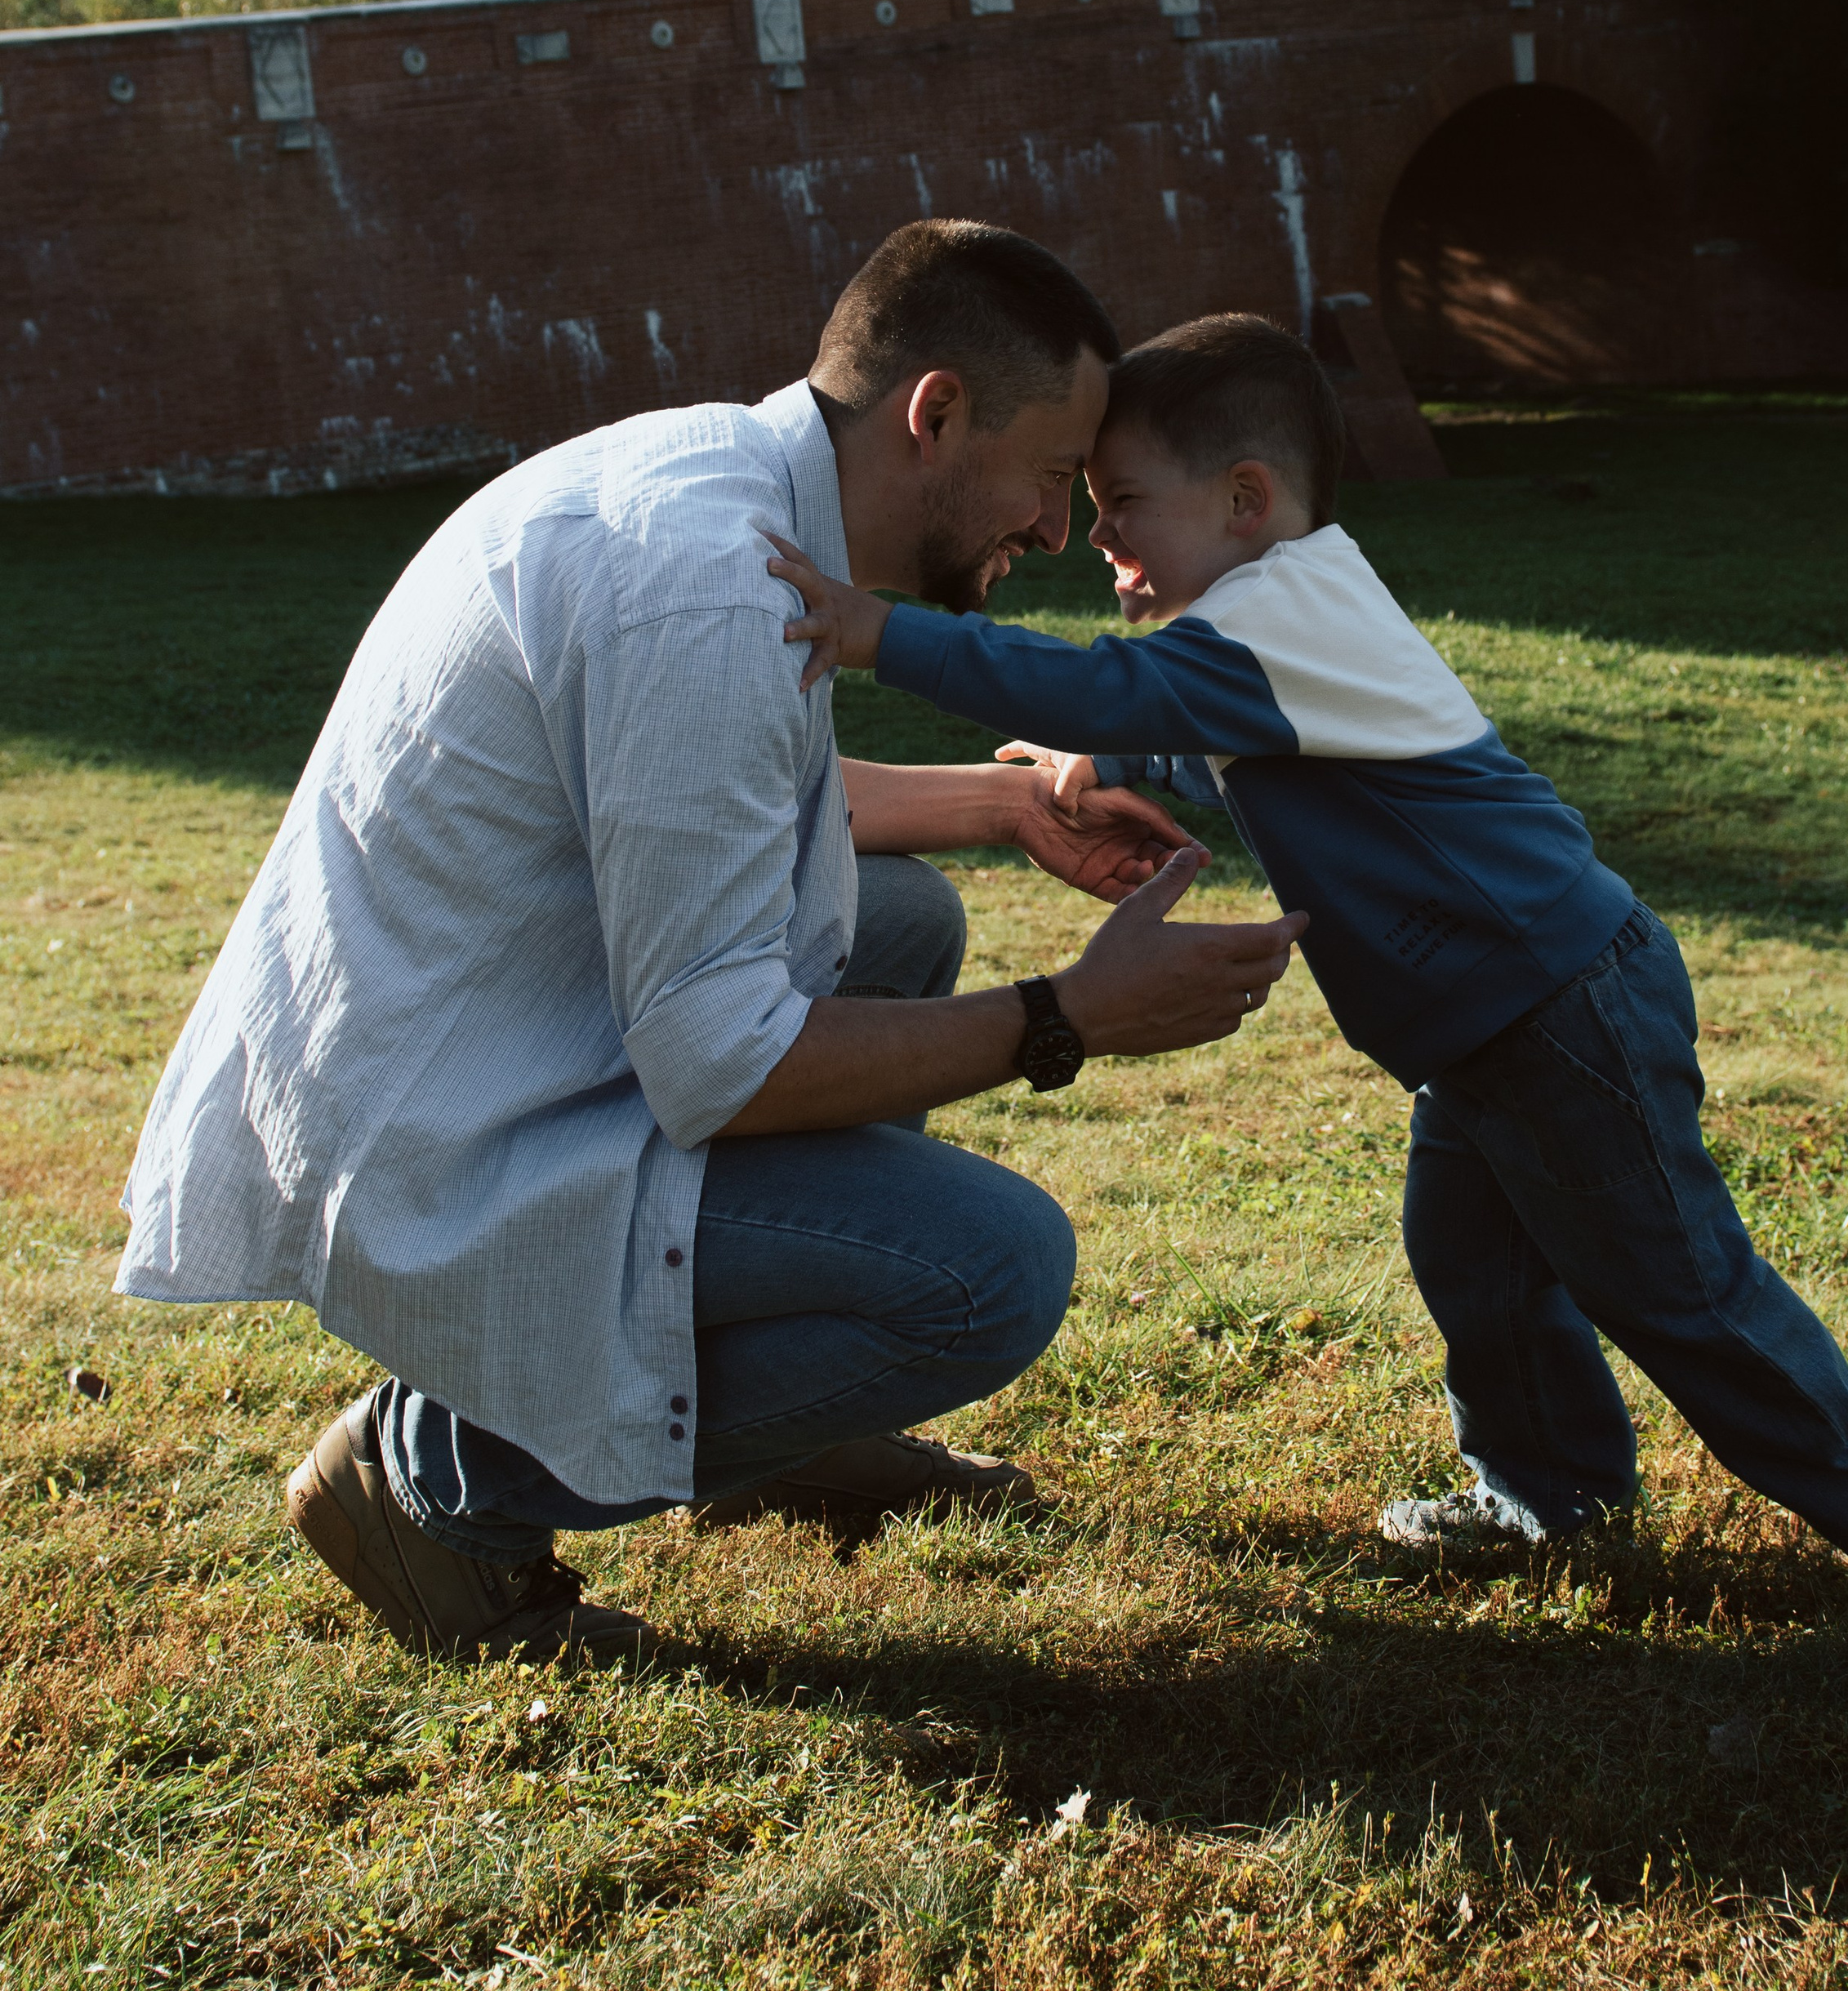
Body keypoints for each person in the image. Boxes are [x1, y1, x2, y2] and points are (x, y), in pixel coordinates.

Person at [116, 229, 1304, 1670]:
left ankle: (793, 1430)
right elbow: (717, 1066)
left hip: (486, 1041)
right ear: (934, 415)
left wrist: (1009, 803)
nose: (1060, 530)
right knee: (995, 1270)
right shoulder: (704, 586)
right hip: (444, 1132)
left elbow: (727, 793)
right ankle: (435, 1474)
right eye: (1053, 473)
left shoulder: (732, 492)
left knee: (905, 916)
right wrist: (1067, 1013)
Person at [768, 310, 1848, 1593]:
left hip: (1558, 1009)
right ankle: (1549, 1492)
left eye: (1123, 498)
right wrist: (1107, 764)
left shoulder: (1280, 612)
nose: (1099, 533)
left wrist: (879, 631)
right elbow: (1212, 733)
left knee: (1676, 1289)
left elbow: (1118, 690)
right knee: (1479, 1266)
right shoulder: (1279, 616)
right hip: (1490, 1026)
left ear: (1247, 498)